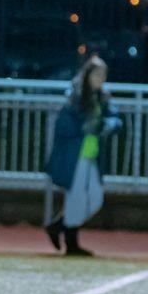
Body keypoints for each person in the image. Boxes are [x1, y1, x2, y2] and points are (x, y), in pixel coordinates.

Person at [43, 54, 122, 256]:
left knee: (94, 198)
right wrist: (85, 128)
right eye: (97, 74)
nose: (101, 78)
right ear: (87, 74)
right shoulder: (75, 96)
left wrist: (106, 125)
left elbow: (115, 119)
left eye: (103, 74)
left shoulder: (103, 97)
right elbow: (64, 125)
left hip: (91, 154)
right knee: (75, 197)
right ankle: (71, 243)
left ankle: (57, 226)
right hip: (74, 155)